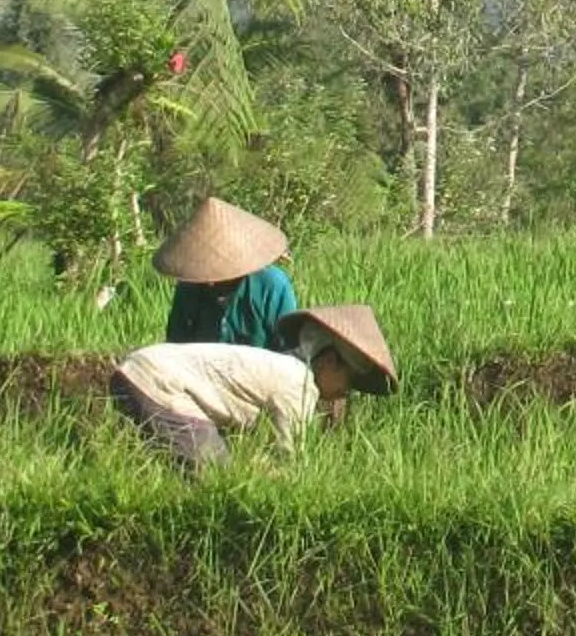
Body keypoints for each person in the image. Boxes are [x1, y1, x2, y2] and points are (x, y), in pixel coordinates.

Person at [108, 303, 398, 474]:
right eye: (347, 381)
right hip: (157, 379)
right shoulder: (297, 385)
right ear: (329, 363)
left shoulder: (282, 369)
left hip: (142, 369)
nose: (346, 393)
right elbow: (287, 457)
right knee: (218, 475)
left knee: (195, 466)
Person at [153, 197, 298, 349]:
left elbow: (290, 350)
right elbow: (176, 346)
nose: (211, 282)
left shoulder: (271, 285)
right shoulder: (189, 288)